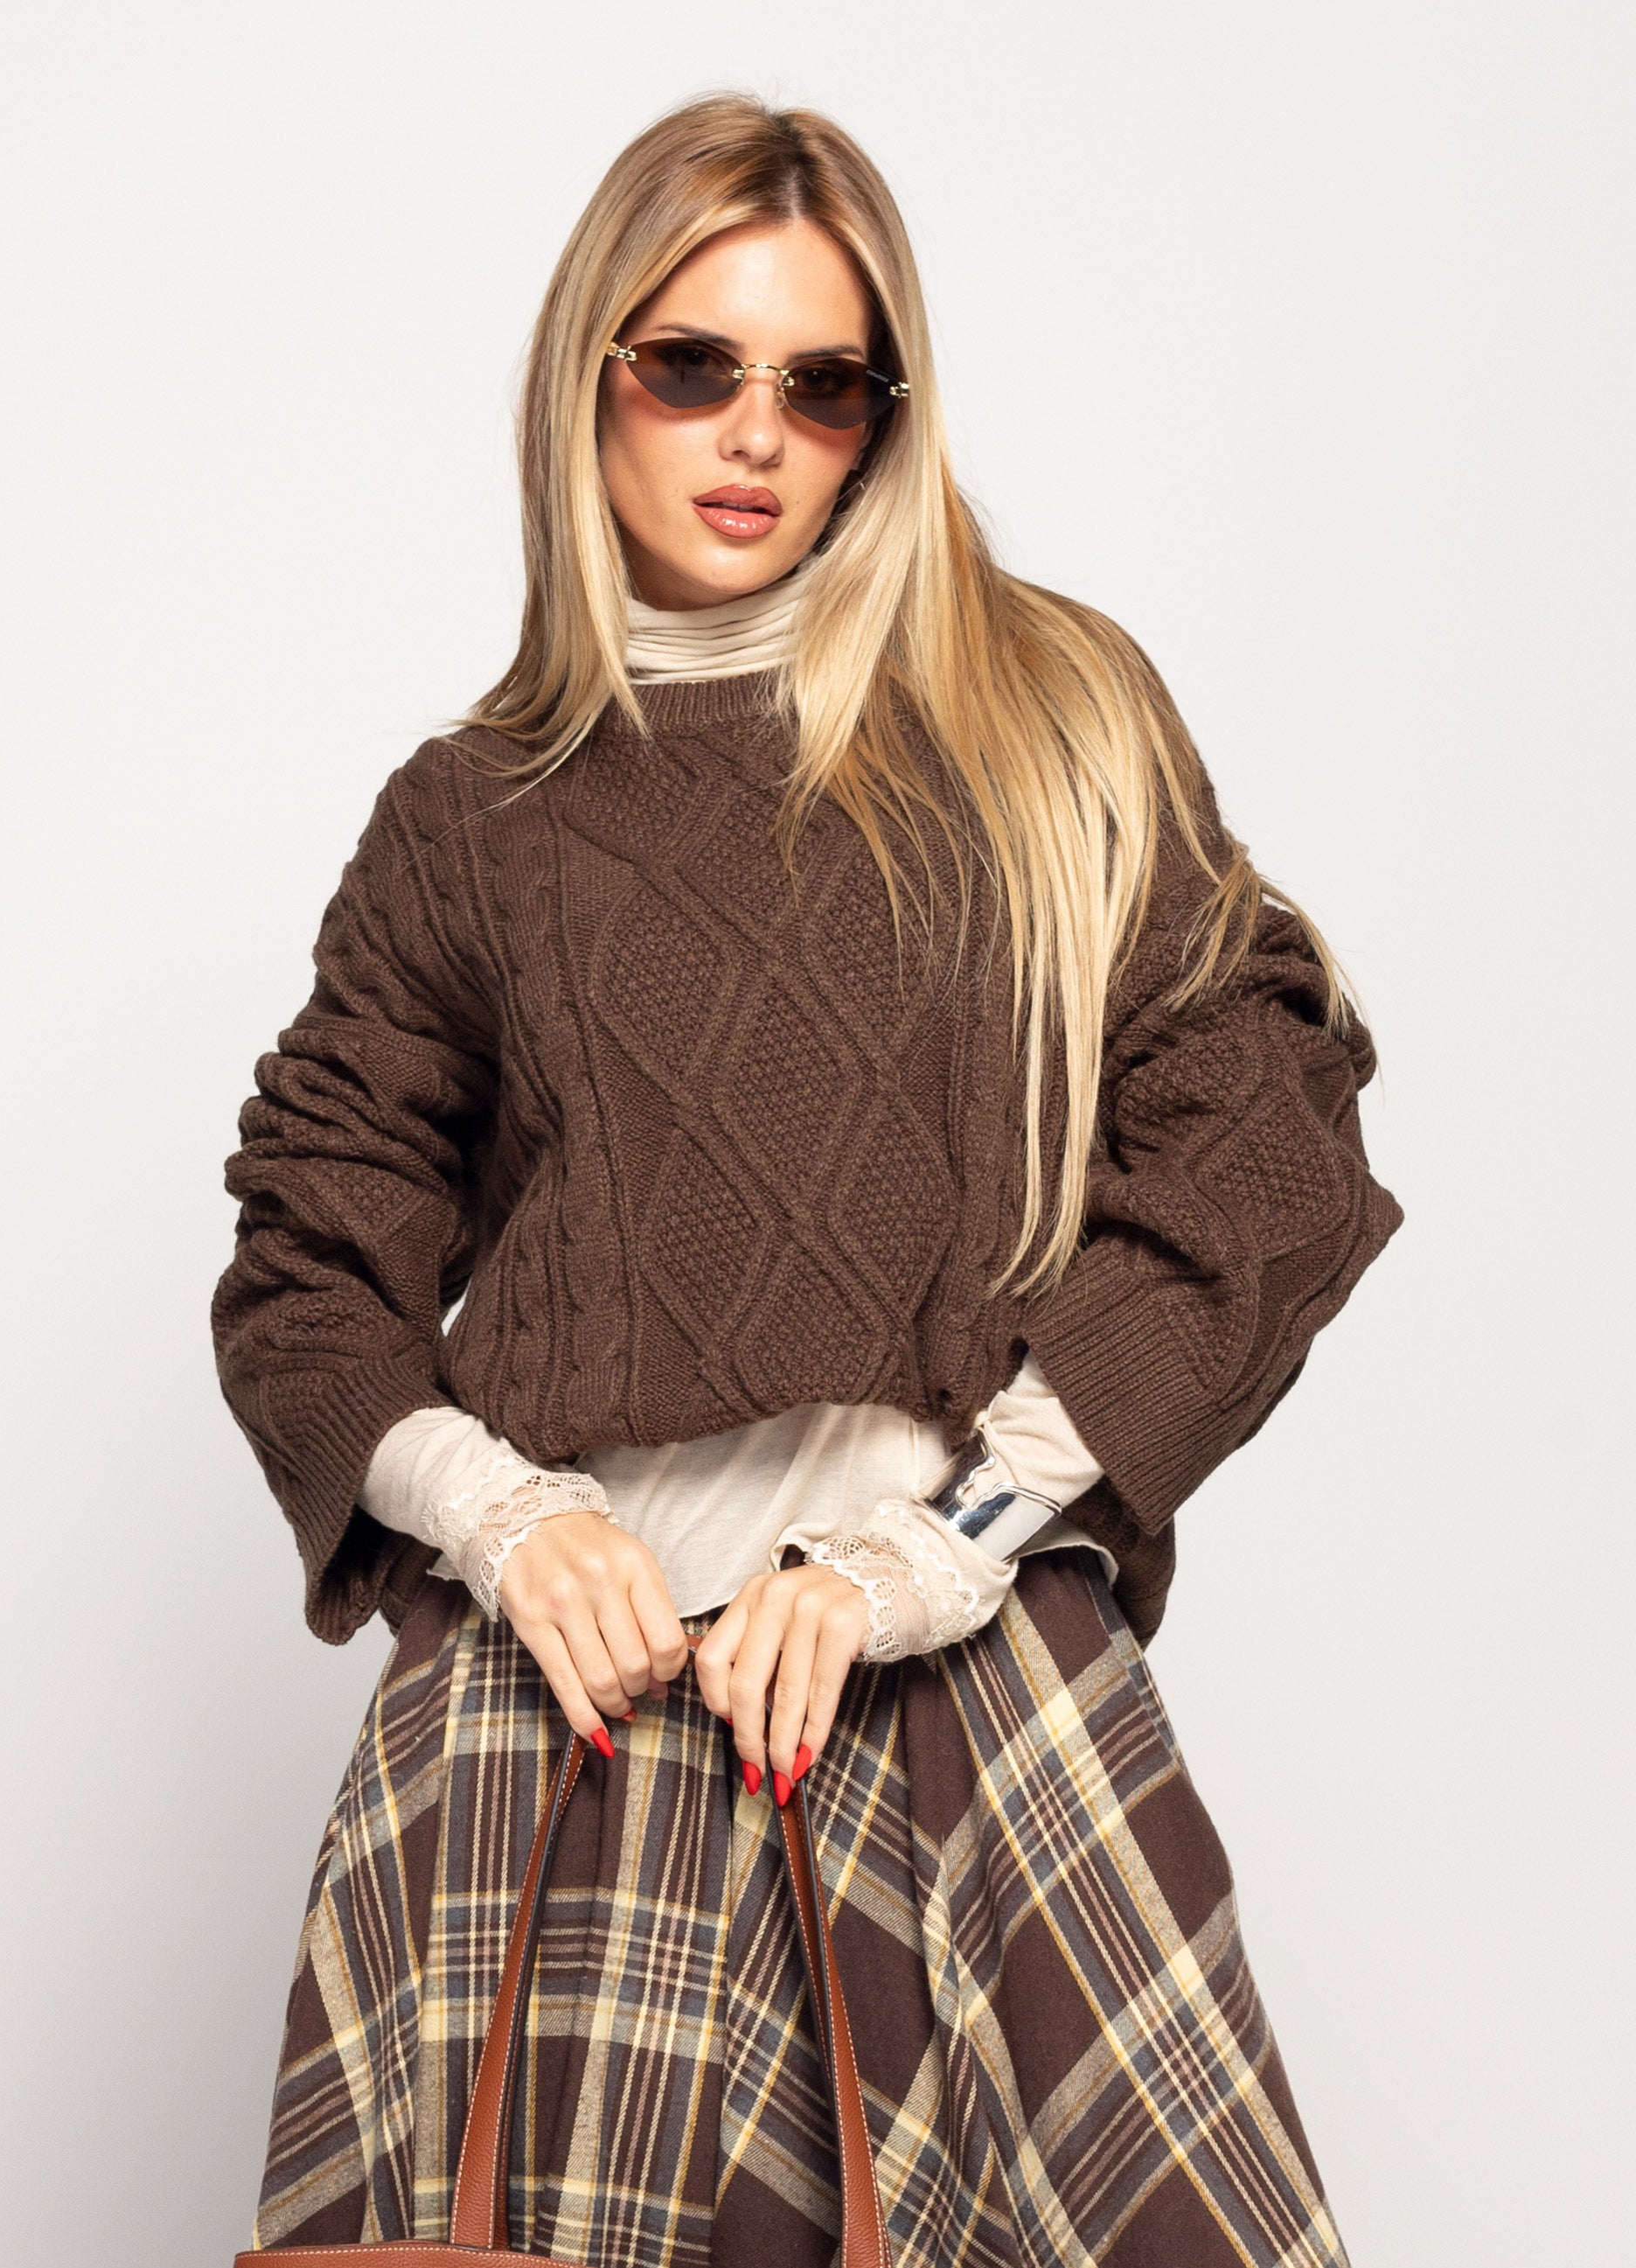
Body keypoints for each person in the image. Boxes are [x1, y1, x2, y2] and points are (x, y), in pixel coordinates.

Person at [212, 92, 1401, 2267]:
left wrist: (939, 1548)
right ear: (588, 380)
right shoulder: (474, 820)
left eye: (823, 384)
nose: (755, 434)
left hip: (953, 1680)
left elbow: (1268, 1143)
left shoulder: (1045, 724)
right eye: (691, 366)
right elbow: (308, 1259)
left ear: (882, 421)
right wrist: (502, 1514)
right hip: (560, 1726)